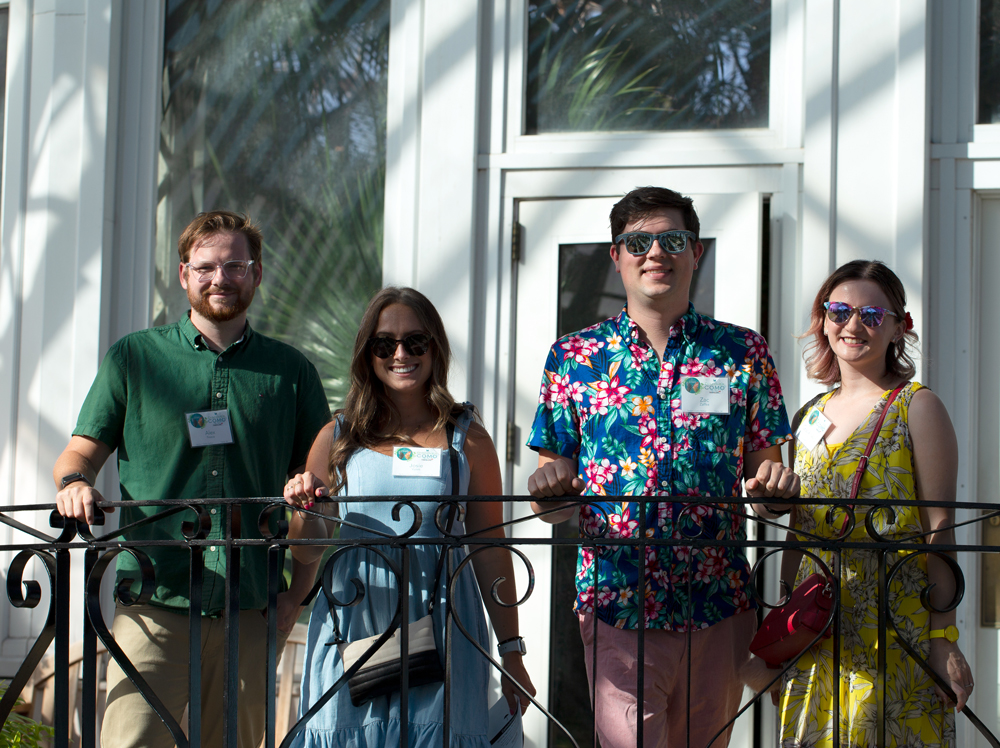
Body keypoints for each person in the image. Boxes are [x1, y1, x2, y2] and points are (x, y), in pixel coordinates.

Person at [526, 186, 799, 748]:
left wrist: (774, 490)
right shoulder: (573, 357)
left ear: (695, 253)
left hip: (717, 602)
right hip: (617, 601)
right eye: (638, 242)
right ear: (616, 255)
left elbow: (766, 478)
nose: (656, 253)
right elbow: (551, 496)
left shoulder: (742, 353)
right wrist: (547, 490)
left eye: (673, 240)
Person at [53, 211, 331, 748]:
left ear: (256, 274)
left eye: (234, 265)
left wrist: (296, 594)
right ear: (184, 275)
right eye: (205, 267)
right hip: (155, 600)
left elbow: (316, 489)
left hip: (250, 607)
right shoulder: (135, 358)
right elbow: (82, 450)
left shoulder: (291, 371)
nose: (219, 278)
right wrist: (73, 483)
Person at [283, 286, 536, 747]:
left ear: (435, 347)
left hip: (444, 626)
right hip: (354, 623)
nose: (401, 354)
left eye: (415, 341)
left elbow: (489, 547)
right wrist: (307, 510)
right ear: (368, 355)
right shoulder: (338, 435)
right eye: (385, 344)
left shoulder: (468, 438)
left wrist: (512, 652)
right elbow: (305, 551)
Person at [763, 260, 973, 748]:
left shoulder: (917, 406)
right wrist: (782, 632)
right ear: (823, 320)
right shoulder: (806, 416)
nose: (853, 325)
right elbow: (798, 531)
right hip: (818, 631)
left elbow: (939, 525)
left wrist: (945, 640)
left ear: (900, 326)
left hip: (897, 628)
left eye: (872, 315)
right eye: (839, 311)